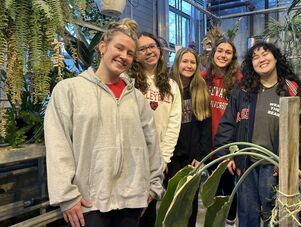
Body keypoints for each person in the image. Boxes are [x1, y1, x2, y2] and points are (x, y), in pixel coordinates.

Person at [44, 19, 164, 227]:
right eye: (119, 48)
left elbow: (151, 143)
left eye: (129, 53)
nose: (124, 56)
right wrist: (66, 195)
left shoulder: (136, 98)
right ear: (102, 47)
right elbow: (57, 144)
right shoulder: (69, 90)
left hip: (132, 198)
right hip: (89, 201)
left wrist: (154, 186)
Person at [215, 42, 301, 227]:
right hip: (247, 165)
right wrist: (226, 154)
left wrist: (292, 164)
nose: (261, 59)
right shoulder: (243, 90)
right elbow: (227, 124)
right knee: (247, 215)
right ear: (251, 65)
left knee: (274, 215)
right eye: (255, 57)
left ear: (275, 58)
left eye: (265, 54)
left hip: (275, 166)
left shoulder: (291, 90)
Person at [130, 32, 182, 227]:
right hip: (132, 157)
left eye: (152, 46)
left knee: (149, 209)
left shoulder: (171, 85)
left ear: (159, 50)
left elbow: (173, 124)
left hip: (157, 158)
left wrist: (164, 159)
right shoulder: (129, 81)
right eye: (141, 49)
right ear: (135, 55)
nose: (148, 52)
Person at [201, 38, 242, 226]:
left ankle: (230, 221)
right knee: (214, 186)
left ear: (232, 57)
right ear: (213, 53)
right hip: (208, 145)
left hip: (228, 145)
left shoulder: (239, 80)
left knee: (229, 187)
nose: (223, 55)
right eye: (220, 51)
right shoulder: (202, 78)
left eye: (227, 52)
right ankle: (217, 221)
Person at [169, 48, 212, 227]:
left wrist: (201, 156)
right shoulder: (168, 86)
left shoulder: (200, 88)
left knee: (191, 200)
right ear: (178, 63)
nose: (188, 65)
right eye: (185, 61)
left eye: (192, 62)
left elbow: (206, 126)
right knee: (173, 201)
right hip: (171, 155)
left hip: (192, 156)